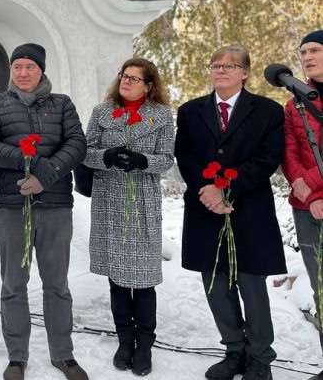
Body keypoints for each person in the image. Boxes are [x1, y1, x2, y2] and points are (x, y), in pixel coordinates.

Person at [0, 43, 88, 380]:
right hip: (10, 207)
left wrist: (45, 176)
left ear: (41, 70)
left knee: (57, 284)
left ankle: (63, 355)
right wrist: (31, 162)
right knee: (14, 284)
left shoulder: (62, 104)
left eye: (30, 67)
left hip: (55, 206)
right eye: (17, 67)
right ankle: (17, 357)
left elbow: (76, 145)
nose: (23, 73)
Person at [174, 45, 286, 380]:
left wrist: (227, 188)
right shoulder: (191, 110)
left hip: (248, 208)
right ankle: (234, 350)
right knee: (215, 284)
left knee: (251, 284)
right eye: (215, 65)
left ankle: (260, 356)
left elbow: (268, 159)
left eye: (229, 65)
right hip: (204, 208)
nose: (220, 70)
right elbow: (186, 156)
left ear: (245, 73)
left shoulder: (267, 111)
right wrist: (207, 191)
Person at [82, 58, 174, 376]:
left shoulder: (161, 116)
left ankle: (145, 345)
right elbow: (85, 151)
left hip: (142, 206)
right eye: (124, 76)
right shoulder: (102, 111)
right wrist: (104, 156)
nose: (127, 82)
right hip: (109, 204)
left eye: (135, 79)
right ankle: (125, 341)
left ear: (149, 86)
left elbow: (166, 159)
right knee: (118, 281)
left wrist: (143, 160)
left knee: (144, 281)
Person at [282, 31, 323, 380]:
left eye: (315, 50)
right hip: (306, 207)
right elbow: (290, 150)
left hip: (312, 194)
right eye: (303, 51)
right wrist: (309, 193)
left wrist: (312, 183)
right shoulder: (294, 102)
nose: (307, 56)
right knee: (321, 286)